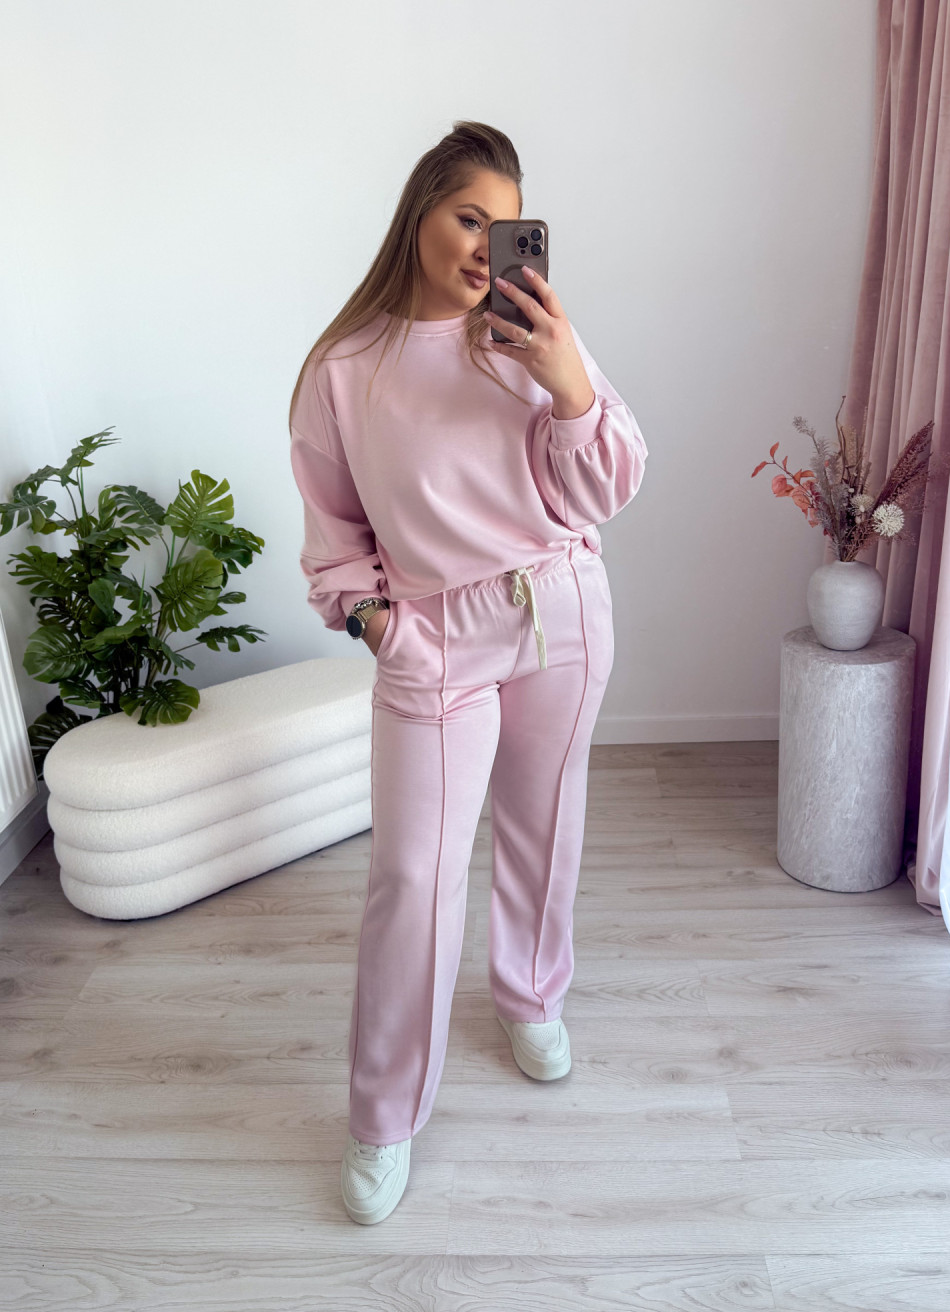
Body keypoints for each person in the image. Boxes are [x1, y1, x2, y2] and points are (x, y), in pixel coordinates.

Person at [288, 120, 647, 1225]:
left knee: (546, 824)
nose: (487, 248)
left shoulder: (530, 341)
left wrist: (567, 383)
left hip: (557, 608)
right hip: (432, 636)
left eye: (507, 227)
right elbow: (334, 539)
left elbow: (606, 486)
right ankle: (383, 1114)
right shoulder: (343, 370)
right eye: (468, 218)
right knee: (413, 877)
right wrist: (379, 625)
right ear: (421, 216)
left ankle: (531, 995)